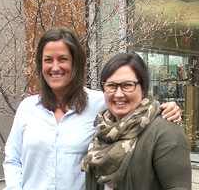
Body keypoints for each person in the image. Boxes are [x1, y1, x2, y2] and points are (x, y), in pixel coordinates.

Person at [2, 27, 182, 190]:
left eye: (63, 59)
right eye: (48, 60)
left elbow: (138, 112)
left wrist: (168, 109)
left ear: (76, 63)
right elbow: (13, 159)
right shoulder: (27, 109)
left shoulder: (101, 104)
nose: (55, 67)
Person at [81, 53, 191, 190]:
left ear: (143, 88)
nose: (119, 94)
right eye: (111, 86)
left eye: (127, 85)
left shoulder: (164, 132)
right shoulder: (103, 131)